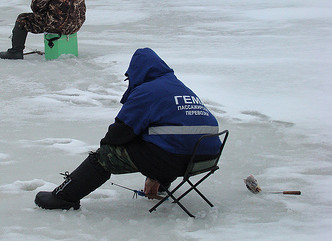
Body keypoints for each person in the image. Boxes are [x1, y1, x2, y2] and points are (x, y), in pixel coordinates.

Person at [35, 48, 222, 210]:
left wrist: (105, 149)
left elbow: (120, 132)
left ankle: (64, 197)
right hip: (207, 158)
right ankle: (161, 185)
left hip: (176, 159)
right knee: (165, 140)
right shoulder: (179, 87)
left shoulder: (147, 90)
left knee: (105, 155)